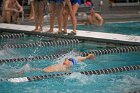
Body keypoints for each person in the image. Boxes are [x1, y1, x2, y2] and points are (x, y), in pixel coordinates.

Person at [19, 54, 95, 74]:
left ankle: (26, 69)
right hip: (57, 68)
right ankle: (25, 70)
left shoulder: (76, 60)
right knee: (42, 70)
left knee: (41, 70)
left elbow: (87, 57)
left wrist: (89, 56)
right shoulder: (67, 64)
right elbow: (66, 61)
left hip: (56, 68)